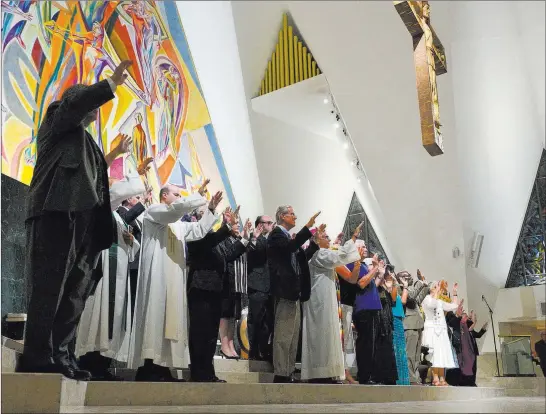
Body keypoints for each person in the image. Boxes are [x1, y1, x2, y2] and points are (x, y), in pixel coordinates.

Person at [18, 60, 133, 380]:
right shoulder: (58, 120)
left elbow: (91, 176)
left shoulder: (87, 143)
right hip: (56, 213)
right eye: (87, 100)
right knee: (50, 286)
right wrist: (109, 85)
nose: (93, 107)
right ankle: (38, 354)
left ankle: (62, 354)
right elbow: (74, 106)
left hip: (85, 225)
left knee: (74, 294)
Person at [127, 182, 223, 381]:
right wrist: (197, 195)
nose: (180, 198)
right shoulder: (154, 212)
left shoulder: (178, 225)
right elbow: (174, 211)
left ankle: (163, 366)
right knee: (156, 317)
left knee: (170, 320)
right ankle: (149, 366)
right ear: (164, 196)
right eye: (176, 194)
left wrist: (211, 209)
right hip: (157, 278)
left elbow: (198, 231)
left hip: (174, 279)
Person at [186, 208, 246, 382]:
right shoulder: (195, 233)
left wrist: (246, 239)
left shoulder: (214, 238)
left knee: (211, 334)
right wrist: (226, 226)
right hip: (201, 288)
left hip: (215, 290)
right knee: (200, 333)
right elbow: (207, 244)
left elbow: (228, 254)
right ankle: (198, 372)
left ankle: (208, 372)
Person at [301, 222, 363, 383]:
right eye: (325, 236)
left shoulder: (322, 253)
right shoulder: (319, 254)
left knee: (328, 335)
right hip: (319, 302)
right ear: (316, 240)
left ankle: (327, 371)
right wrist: (353, 238)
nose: (329, 239)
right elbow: (340, 255)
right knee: (321, 335)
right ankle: (319, 373)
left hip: (324, 300)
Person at [268, 206, 321, 383]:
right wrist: (308, 227)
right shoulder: (276, 234)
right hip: (284, 291)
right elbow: (291, 247)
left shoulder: (287, 238)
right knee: (283, 334)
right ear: (282, 216)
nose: (295, 216)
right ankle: (281, 372)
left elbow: (300, 258)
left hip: (294, 292)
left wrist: (313, 244)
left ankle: (289, 370)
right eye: (291, 214)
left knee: (292, 336)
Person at [421, 280, 461, 386]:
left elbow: (454, 306)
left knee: (442, 353)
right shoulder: (427, 299)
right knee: (434, 354)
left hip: (442, 330)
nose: (438, 288)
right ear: (431, 288)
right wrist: (437, 293)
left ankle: (442, 378)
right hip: (432, 330)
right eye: (436, 287)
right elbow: (431, 305)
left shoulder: (439, 301)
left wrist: (454, 292)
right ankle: (435, 378)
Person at [247, 215, 275, 362]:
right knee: (256, 320)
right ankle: (253, 351)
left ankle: (263, 350)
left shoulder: (270, 239)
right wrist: (255, 237)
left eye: (271, 222)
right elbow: (251, 252)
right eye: (268, 223)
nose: (271, 225)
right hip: (257, 284)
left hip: (269, 287)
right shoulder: (254, 238)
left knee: (267, 322)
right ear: (260, 225)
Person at [401, 269, 430, 385]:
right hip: (409, 325)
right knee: (409, 354)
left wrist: (424, 282)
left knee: (417, 355)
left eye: (409, 275)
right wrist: (419, 283)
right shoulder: (401, 288)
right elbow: (412, 295)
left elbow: (418, 299)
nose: (409, 277)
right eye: (405, 276)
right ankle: (411, 378)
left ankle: (416, 378)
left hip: (418, 325)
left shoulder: (410, 288)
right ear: (400, 278)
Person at [392, 273, 410, 385]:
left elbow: (403, 301)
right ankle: (396, 378)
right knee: (394, 349)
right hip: (392, 318)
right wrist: (394, 282)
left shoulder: (397, 291)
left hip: (399, 320)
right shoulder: (389, 287)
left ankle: (403, 379)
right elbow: (393, 299)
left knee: (401, 349)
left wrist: (405, 286)